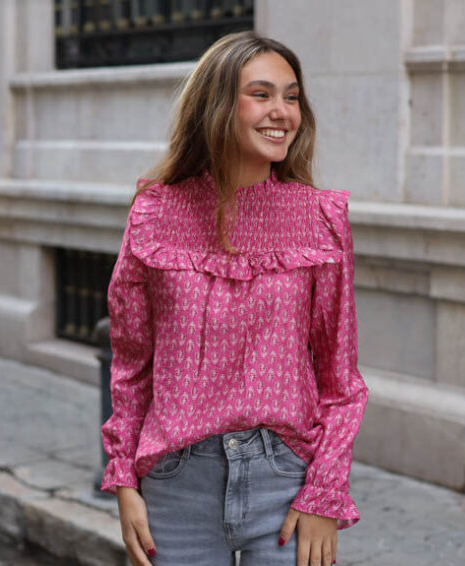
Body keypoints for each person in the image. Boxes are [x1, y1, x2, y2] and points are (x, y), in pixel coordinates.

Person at [100, 30, 369, 566]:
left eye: (292, 97)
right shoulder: (155, 213)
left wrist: (324, 494)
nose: (283, 112)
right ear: (218, 105)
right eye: (262, 94)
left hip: (286, 485)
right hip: (177, 484)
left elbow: (341, 381)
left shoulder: (320, 220)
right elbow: (132, 365)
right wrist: (124, 476)